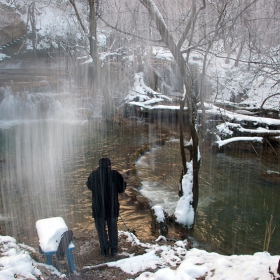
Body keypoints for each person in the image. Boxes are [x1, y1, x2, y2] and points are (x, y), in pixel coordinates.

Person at [86, 157, 126, 257]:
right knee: (113, 228)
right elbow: (122, 189)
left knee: (101, 229)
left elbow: (89, 186)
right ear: (109, 165)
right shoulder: (115, 174)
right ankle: (113, 249)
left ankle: (104, 250)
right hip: (112, 207)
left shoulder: (93, 175)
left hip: (98, 208)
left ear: (99, 165)